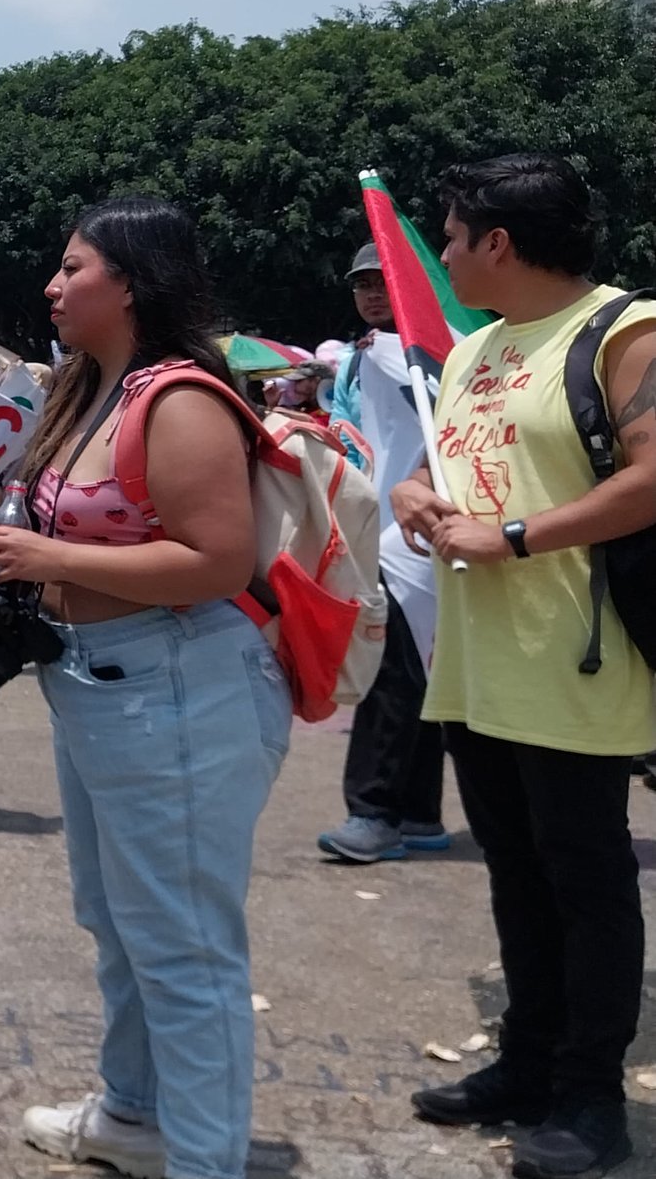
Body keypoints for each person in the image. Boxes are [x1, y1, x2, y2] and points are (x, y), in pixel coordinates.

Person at [0, 198, 283, 1179]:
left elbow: (217, 563)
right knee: (117, 925)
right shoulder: (89, 388)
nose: (52, 287)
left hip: (174, 692)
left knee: (187, 955)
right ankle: (133, 1115)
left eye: (72, 269)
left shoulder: (179, 399)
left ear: (133, 281)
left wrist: (45, 552)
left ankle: (202, 1160)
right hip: (96, 690)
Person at [392, 155, 655, 1178]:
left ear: (496, 242)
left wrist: (513, 535)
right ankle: (528, 1059)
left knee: (585, 879)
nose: (443, 254)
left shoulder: (622, 332)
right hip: (479, 657)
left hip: (574, 653)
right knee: (514, 873)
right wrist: (416, 496)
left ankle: (591, 1098)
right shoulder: (476, 349)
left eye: (451, 236)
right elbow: (440, 461)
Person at [315, 244, 449, 865]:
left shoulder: (449, 354)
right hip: (378, 536)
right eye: (360, 283)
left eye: (382, 281)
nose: (371, 294)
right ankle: (418, 812)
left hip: (424, 541)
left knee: (389, 676)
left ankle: (373, 811)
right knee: (412, 674)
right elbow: (351, 445)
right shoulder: (354, 362)